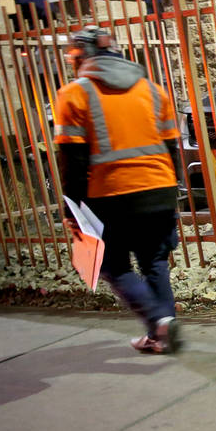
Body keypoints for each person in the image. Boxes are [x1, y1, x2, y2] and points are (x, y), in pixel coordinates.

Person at [54, 27, 183, 354]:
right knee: (154, 261)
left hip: (111, 194)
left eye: (73, 56)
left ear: (82, 56)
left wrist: (73, 208)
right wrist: (174, 187)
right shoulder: (153, 90)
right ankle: (161, 334)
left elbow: (73, 159)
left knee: (113, 266)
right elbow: (172, 146)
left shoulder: (74, 94)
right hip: (160, 188)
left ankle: (159, 322)